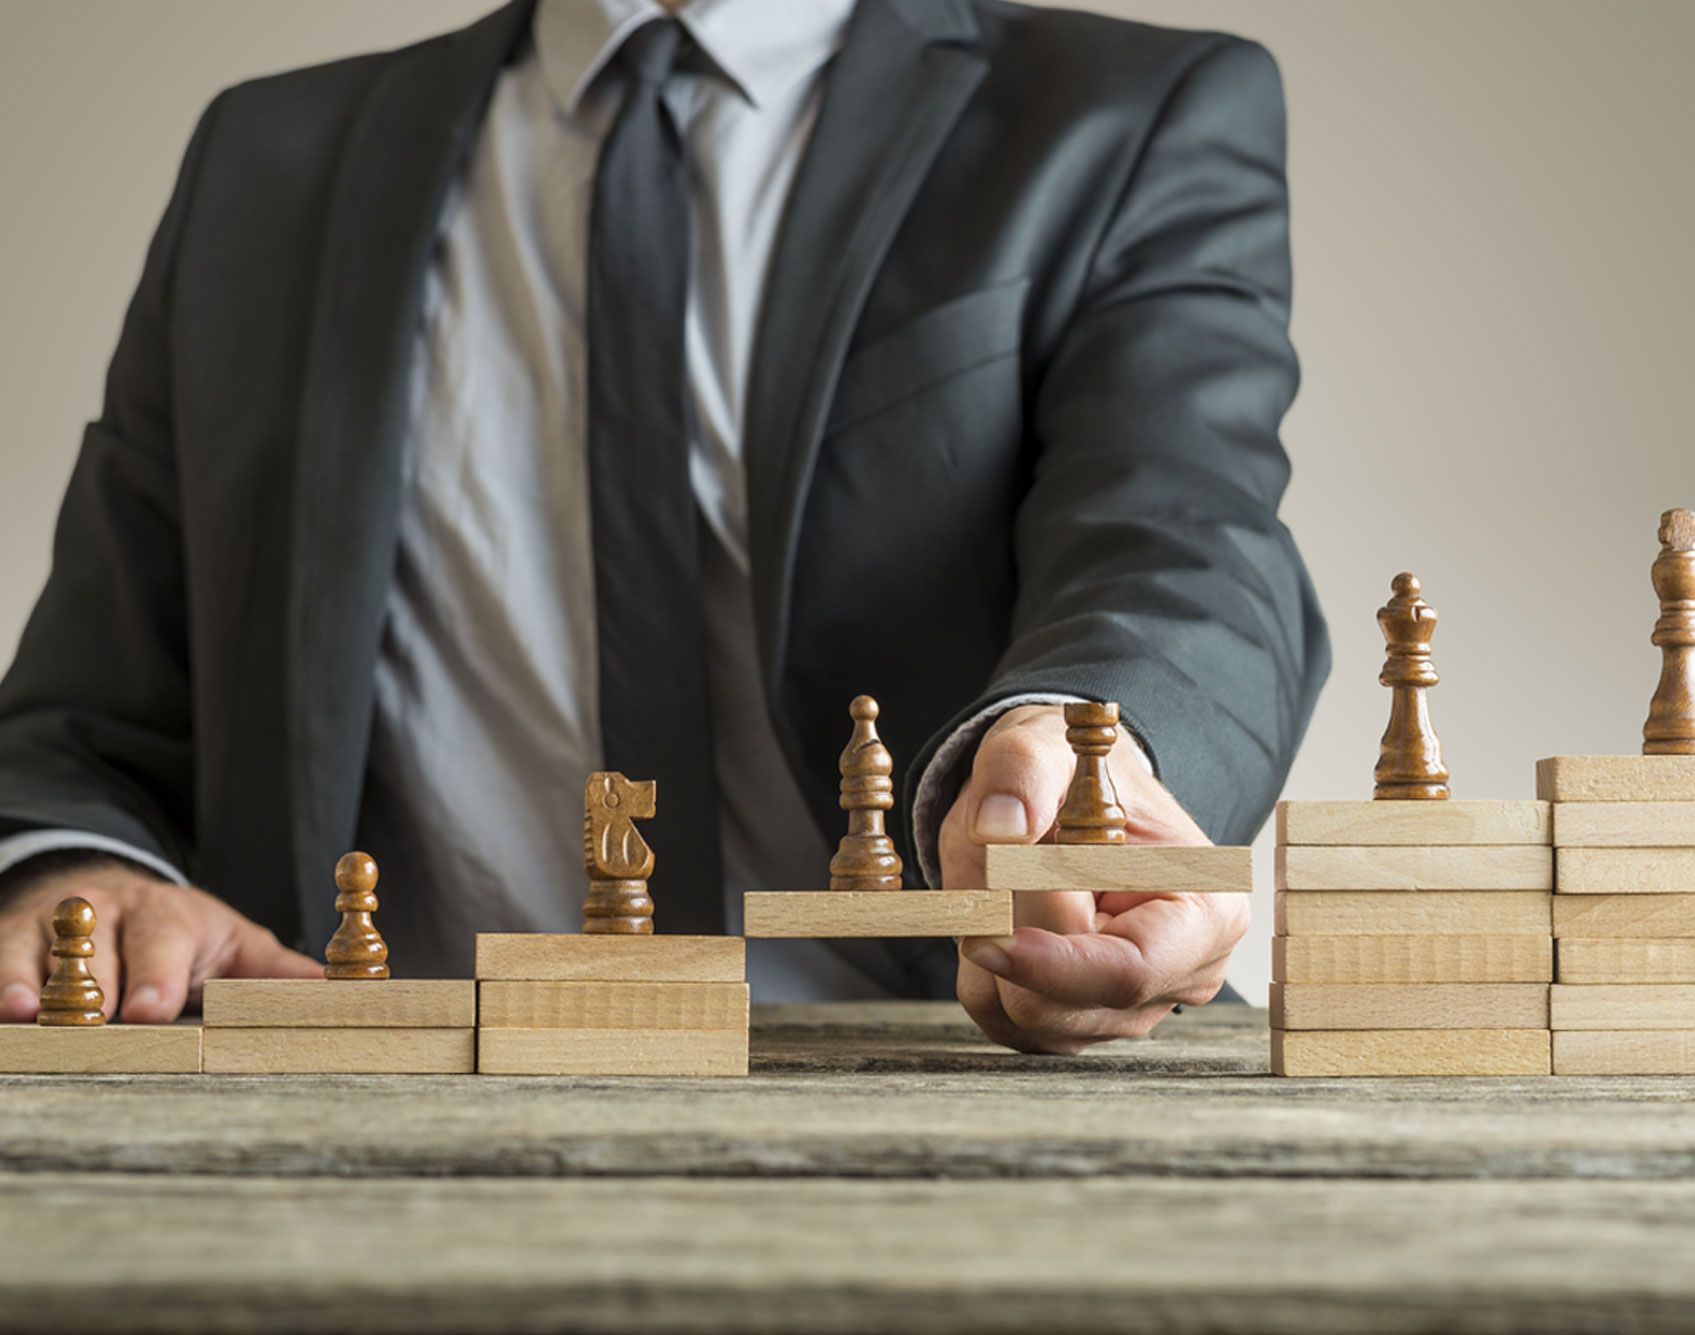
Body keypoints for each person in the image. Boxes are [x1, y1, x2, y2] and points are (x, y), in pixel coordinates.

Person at [0, 0, 1328, 1053]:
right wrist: (76, 871)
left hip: (953, 1073)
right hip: (379, 1118)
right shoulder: (265, 162)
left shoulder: (1130, 114)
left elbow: (1186, 540)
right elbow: (85, 716)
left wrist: (1092, 762)